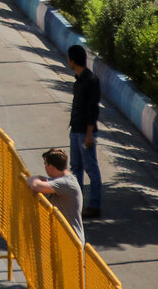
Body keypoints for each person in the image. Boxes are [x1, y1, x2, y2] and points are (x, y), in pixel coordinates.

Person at [67, 44, 102, 218]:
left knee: (91, 169)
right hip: (75, 130)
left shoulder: (91, 81)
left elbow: (92, 110)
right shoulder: (79, 80)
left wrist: (89, 134)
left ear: (73, 60)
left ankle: (95, 205)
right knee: (76, 168)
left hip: (84, 133)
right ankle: (77, 203)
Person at [28, 148, 85, 243]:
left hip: (71, 241)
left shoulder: (65, 182)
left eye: (45, 164)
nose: (45, 167)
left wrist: (35, 179)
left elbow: (36, 186)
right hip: (62, 238)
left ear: (52, 167)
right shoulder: (61, 179)